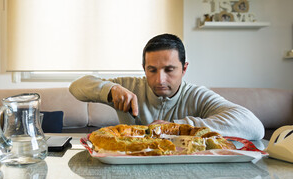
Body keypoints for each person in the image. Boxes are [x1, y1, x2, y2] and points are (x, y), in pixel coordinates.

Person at [69, 33, 264, 140]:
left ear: (184, 68)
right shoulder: (129, 86)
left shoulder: (197, 95)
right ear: (143, 68)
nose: (160, 80)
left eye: (169, 70)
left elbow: (253, 127)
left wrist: (176, 128)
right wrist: (110, 90)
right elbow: (76, 87)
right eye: (152, 70)